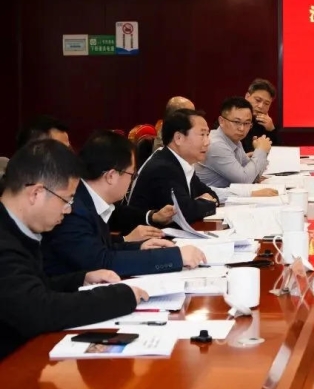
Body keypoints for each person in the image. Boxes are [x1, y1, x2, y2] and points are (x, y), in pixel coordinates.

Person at [0, 140, 148, 360]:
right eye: (66, 199)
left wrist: (81, 279)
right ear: (36, 193)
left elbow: (31, 288)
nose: (68, 210)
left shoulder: (18, 229)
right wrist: (119, 296)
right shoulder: (5, 243)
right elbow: (38, 310)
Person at [42, 131, 206, 277]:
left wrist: (139, 247)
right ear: (111, 176)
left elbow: (102, 248)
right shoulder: (72, 207)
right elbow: (102, 262)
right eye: (131, 175)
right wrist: (174, 257)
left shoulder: (88, 199)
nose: (131, 181)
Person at [129, 109, 218, 223]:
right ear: (178, 138)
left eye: (207, 135)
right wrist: (208, 203)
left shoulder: (179, 162)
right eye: (202, 135)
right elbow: (183, 213)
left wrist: (200, 203)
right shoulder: (163, 168)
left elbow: (210, 194)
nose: (207, 142)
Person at [196, 97, 273, 188]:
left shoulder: (235, 140)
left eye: (246, 123)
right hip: (209, 196)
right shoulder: (216, 144)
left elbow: (254, 176)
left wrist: (261, 152)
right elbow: (244, 180)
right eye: (236, 122)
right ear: (221, 121)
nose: (242, 129)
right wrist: (260, 151)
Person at [242, 79, 278, 153]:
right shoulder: (233, 117)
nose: (261, 106)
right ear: (247, 96)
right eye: (258, 100)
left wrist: (272, 130)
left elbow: (280, 153)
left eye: (266, 103)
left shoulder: (267, 124)